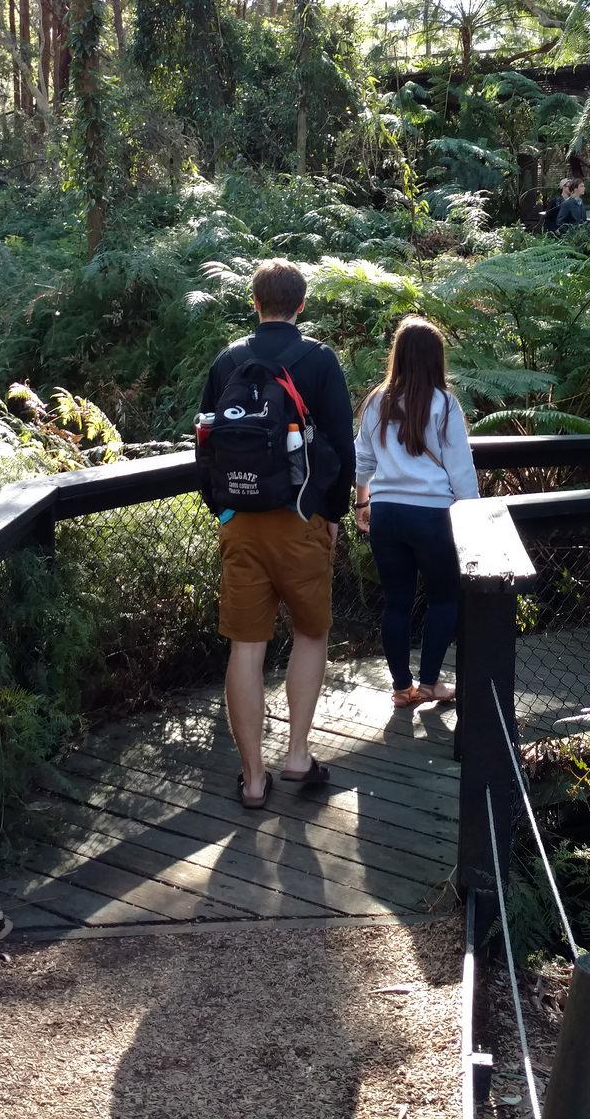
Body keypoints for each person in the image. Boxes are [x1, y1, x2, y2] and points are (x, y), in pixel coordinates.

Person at [197, 260, 354, 809]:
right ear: (302, 304)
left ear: (255, 302)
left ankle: (253, 778)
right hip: (300, 519)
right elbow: (343, 445)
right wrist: (331, 515)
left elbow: (205, 443)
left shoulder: (228, 360)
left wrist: (223, 511)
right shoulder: (318, 360)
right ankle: (296, 755)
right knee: (311, 634)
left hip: (239, 523)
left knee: (246, 647)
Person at [354, 316, 479, 709]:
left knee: (396, 601)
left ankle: (401, 687)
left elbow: (362, 459)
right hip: (431, 515)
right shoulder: (445, 404)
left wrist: (361, 501)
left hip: (386, 513)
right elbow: (461, 469)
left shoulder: (378, 401)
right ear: (436, 358)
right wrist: (473, 515)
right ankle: (429, 683)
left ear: (399, 355)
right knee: (444, 597)